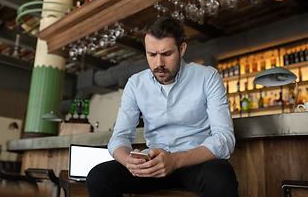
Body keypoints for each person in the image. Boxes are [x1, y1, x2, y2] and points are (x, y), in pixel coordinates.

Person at [86, 16, 238, 197]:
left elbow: (224, 138)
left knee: (221, 176)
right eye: (151, 54)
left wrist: (175, 160)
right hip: (152, 164)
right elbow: (119, 138)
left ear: (182, 49)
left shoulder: (208, 77)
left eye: (166, 54)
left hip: (195, 162)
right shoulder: (135, 84)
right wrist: (127, 160)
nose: (159, 64)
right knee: (98, 177)